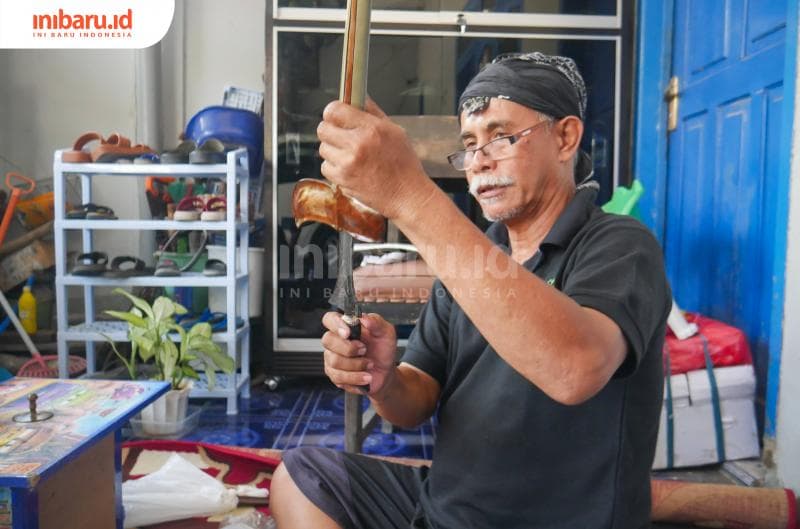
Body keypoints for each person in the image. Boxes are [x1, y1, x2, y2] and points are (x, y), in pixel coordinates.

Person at [270, 51, 672, 529]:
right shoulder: (470, 263)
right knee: (300, 478)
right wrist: (384, 378)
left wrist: (407, 194)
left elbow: (574, 369)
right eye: (469, 145)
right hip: (445, 510)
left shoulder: (620, 246)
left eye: (501, 137)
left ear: (565, 138)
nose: (479, 161)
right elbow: (416, 400)